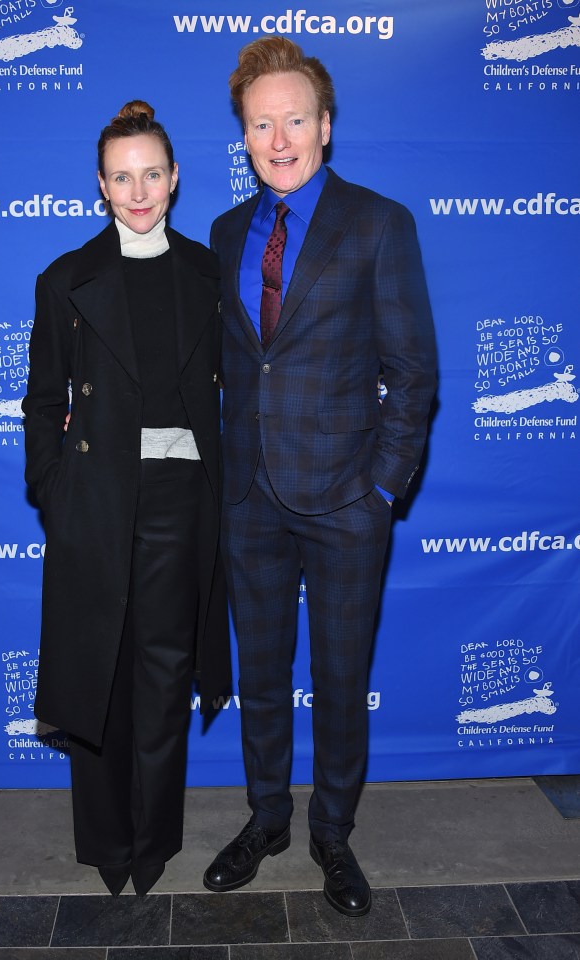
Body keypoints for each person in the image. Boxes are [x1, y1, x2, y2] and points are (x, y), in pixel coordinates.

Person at [203, 38, 437, 916]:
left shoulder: (380, 223)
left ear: (325, 127)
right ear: (247, 136)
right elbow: (230, 364)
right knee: (260, 676)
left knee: (341, 680)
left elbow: (414, 370)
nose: (278, 137)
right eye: (261, 123)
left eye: (294, 118)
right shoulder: (228, 231)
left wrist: (382, 491)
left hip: (346, 502)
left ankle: (331, 833)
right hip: (249, 497)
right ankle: (266, 819)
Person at [22, 100, 230, 898]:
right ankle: (109, 844)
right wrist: (56, 487)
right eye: (121, 176)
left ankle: (155, 842)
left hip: (184, 496)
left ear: (174, 179)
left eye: (151, 174)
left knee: (164, 674)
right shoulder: (65, 280)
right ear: (100, 187)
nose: (137, 191)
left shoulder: (207, 273)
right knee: (98, 673)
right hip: (99, 498)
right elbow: (42, 404)